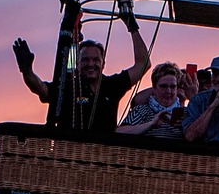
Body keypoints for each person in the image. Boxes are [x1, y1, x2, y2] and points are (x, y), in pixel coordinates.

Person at [13, 13, 148, 133]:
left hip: (103, 155)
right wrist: (27, 71)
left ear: (103, 63)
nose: (90, 64)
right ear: (78, 64)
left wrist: (132, 27)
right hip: (73, 154)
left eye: (95, 60)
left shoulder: (112, 85)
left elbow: (143, 64)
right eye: (85, 60)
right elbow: (41, 88)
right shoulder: (68, 87)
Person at [118, 62, 187, 138]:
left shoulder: (186, 113)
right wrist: (151, 124)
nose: (168, 91)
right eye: (163, 86)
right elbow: (119, 132)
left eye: (173, 86)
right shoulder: (142, 110)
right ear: (153, 89)